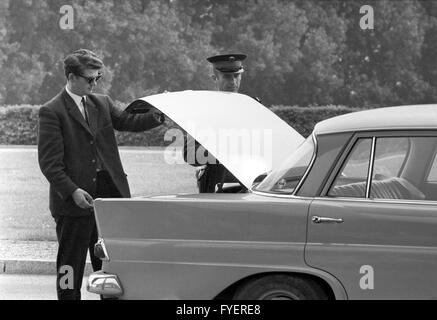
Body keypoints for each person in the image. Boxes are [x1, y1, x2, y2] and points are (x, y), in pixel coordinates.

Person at [38, 49, 165, 300]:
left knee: (109, 266)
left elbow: (130, 121)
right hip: (74, 202)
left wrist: (160, 114)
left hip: (109, 200)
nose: (95, 84)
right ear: (72, 77)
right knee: (69, 266)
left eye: (98, 78)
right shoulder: (51, 111)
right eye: (90, 79)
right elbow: (49, 164)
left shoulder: (102, 103)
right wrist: (72, 191)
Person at [183, 53, 250, 193]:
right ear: (215, 78)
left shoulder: (253, 108)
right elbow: (190, 154)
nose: (233, 81)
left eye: (237, 76)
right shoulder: (202, 111)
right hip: (215, 189)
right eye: (227, 76)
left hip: (249, 189)